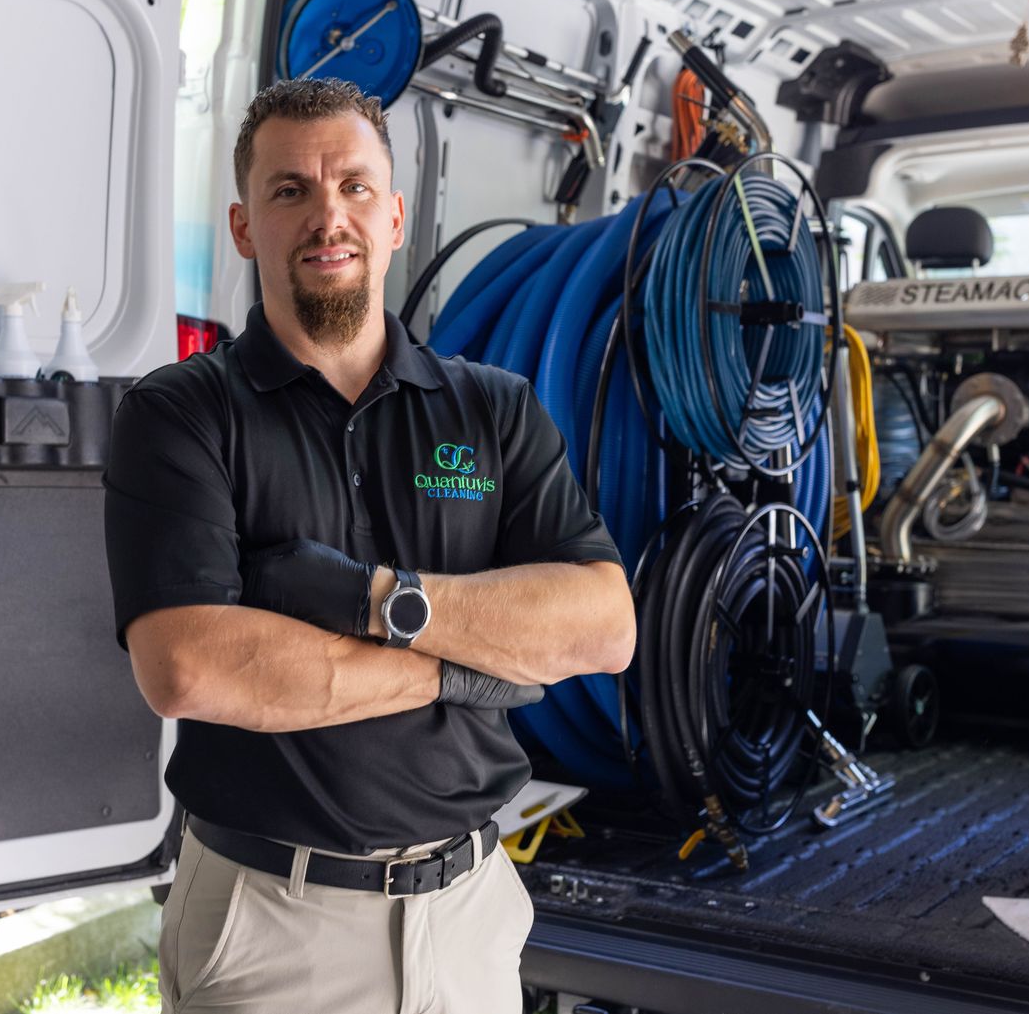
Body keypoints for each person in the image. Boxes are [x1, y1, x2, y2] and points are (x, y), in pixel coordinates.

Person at [102, 77, 634, 1013]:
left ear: (393, 219)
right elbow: (189, 668)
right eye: (290, 191)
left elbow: (602, 627)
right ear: (241, 225)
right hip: (277, 926)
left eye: (353, 187)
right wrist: (459, 670)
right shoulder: (180, 414)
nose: (326, 216)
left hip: (467, 909)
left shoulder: (493, 408)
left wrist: (375, 597)